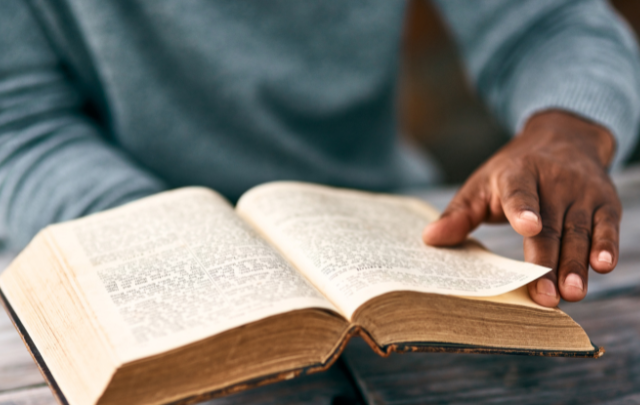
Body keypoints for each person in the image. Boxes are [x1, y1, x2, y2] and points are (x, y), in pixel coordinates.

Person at [0, 0, 638, 308]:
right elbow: (19, 127)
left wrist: (570, 128)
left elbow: (550, 22)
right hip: (101, 260)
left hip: (382, 246)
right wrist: (178, 240)